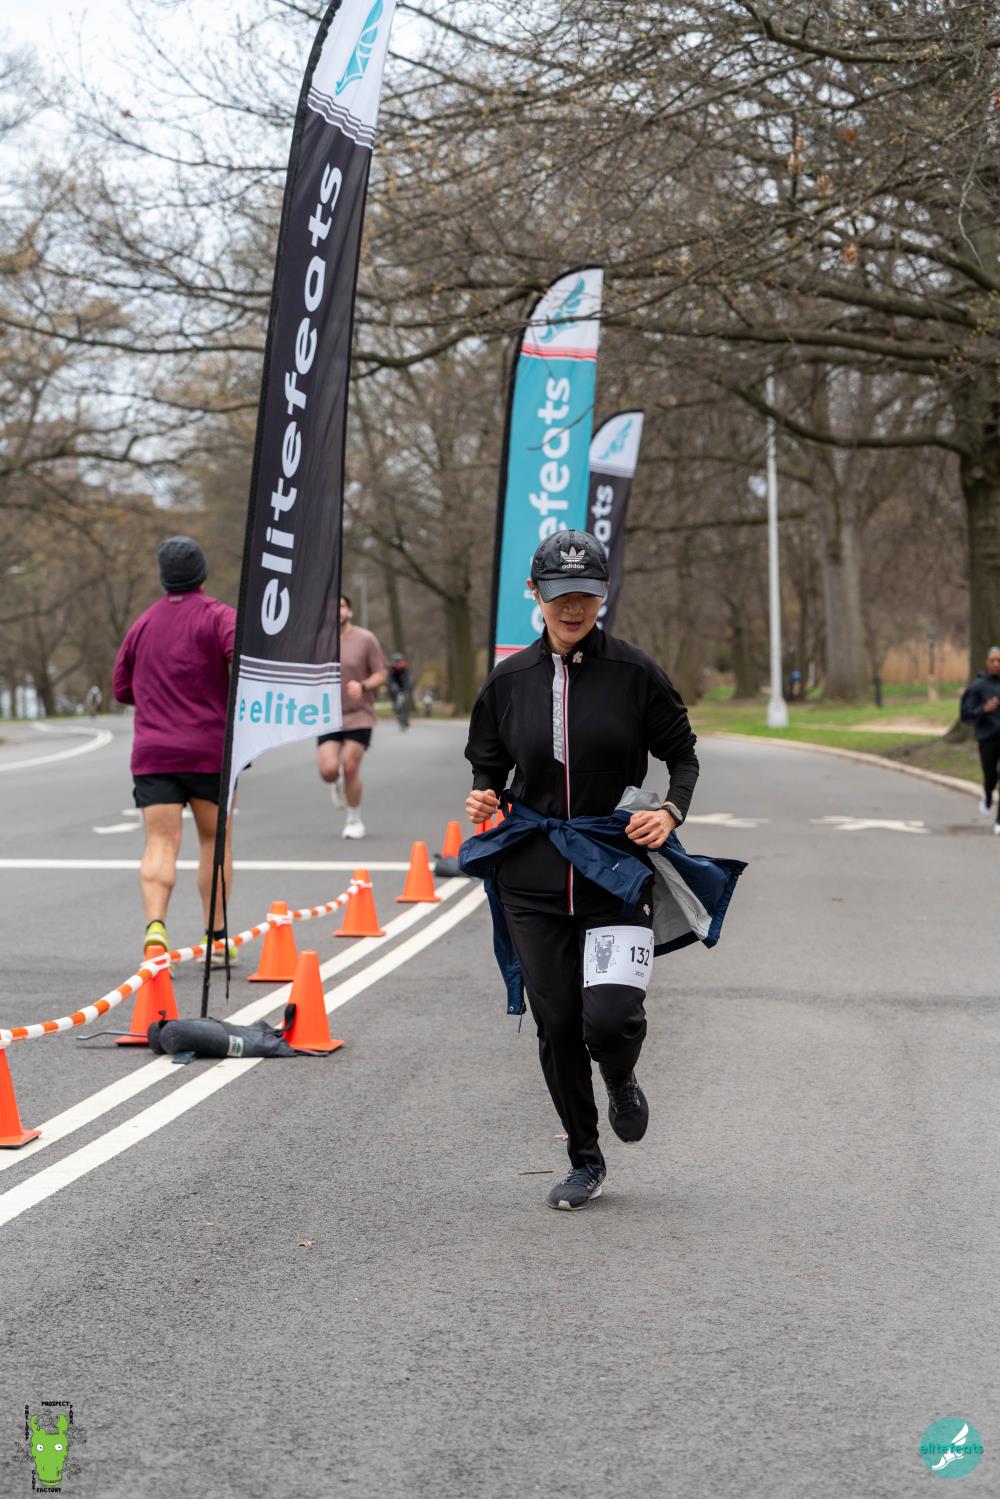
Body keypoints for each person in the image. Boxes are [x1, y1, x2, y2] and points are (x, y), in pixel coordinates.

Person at [464, 529, 701, 1212]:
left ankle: (620, 1075)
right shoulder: (509, 680)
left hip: (613, 869)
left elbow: (682, 756)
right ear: (534, 594)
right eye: (560, 594)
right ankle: (585, 1158)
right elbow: (488, 764)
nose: (573, 607)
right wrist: (484, 795)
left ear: (604, 596)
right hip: (532, 879)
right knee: (559, 1022)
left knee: (611, 1017)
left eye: (587, 595)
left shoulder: (634, 673)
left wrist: (672, 811)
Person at [113, 536, 238, 964]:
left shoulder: (142, 624)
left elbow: (121, 688)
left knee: (160, 842)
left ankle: (156, 927)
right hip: (210, 751)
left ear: (163, 575)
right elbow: (243, 664)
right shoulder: (220, 617)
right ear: (202, 572)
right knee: (214, 841)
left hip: (154, 753)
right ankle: (216, 938)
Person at [316, 595, 387, 839]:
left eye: (342, 606)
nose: (337, 610)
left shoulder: (365, 639)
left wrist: (363, 685)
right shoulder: (318, 639)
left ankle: (354, 818)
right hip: (327, 714)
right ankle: (337, 783)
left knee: (350, 765)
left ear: (350, 611)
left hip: (359, 714)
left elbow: (381, 673)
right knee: (328, 770)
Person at [960, 646, 1000, 831]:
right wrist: (984, 709)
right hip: (988, 738)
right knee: (990, 775)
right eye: (993, 660)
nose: (996, 664)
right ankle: (988, 794)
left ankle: (999, 820)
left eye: (999, 661)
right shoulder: (978, 686)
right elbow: (966, 714)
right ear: (987, 662)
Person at [387, 652, 412, 729]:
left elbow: (408, 679)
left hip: (403, 686)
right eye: (396, 661)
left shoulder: (405, 668)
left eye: (398, 661)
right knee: (394, 698)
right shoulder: (392, 669)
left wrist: (407, 688)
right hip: (395, 686)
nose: (397, 663)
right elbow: (390, 680)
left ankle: (406, 718)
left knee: (407, 700)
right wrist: (392, 686)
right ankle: (397, 712)